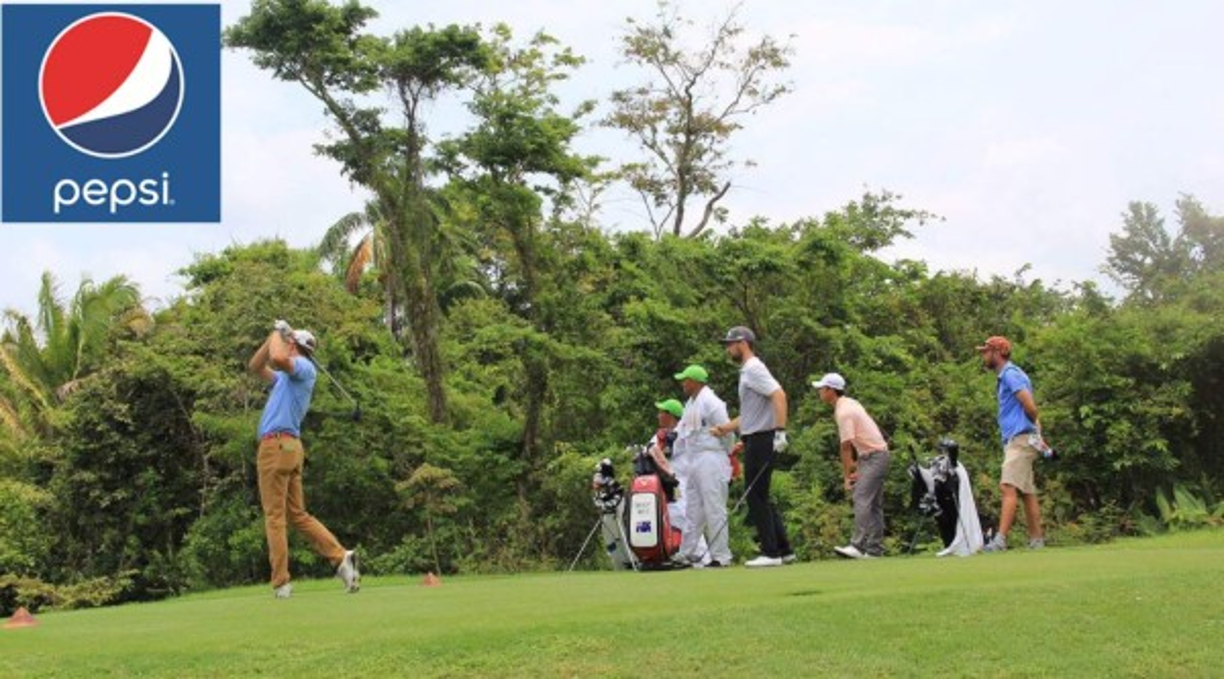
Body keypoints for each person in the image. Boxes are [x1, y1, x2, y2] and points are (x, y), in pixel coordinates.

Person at [248, 320, 360, 598]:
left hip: (276, 446)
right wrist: (272, 334)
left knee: (275, 517)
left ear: (294, 346)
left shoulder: (303, 368)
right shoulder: (285, 377)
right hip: (290, 447)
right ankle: (340, 557)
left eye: (288, 343)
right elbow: (256, 366)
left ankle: (281, 583)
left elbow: (277, 357)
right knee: (297, 515)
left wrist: (278, 334)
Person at [710, 326, 795, 567]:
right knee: (761, 495)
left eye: (730, 344)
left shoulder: (754, 368)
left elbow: (779, 396)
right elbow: (750, 413)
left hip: (764, 438)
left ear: (743, 343)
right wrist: (726, 429)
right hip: (755, 437)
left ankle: (771, 553)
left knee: (755, 495)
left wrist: (780, 431)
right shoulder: (748, 371)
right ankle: (784, 549)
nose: (727, 349)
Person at [976, 335, 1046, 552]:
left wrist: (1033, 431)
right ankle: (1037, 540)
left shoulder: (1010, 374)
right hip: (1021, 438)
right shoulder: (1008, 375)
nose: (983, 356)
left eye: (986, 352)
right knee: (1027, 491)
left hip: (1021, 438)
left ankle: (999, 541)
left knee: (1008, 485)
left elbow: (1031, 406)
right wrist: (1038, 435)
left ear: (997, 352)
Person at [812, 373, 891, 559]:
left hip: (875, 457)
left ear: (831, 391)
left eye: (822, 389)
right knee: (873, 505)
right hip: (872, 456)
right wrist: (858, 467)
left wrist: (847, 476)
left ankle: (858, 546)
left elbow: (845, 448)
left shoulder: (844, 412)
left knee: (861, 498)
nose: (819, 392)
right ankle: (874, 550)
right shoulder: (849, 403)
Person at [672, 365, 734, 567]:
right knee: (693, 508)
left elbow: (727, 432)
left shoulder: (712, 402)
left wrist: (727, 454)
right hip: (694, 458)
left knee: (714, 507)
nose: (683, 383)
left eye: (686, 380)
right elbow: (681, 433)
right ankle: (687, 552)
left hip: (711, 456)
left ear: (696, 381)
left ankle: (720, 556)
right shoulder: (690, 404)